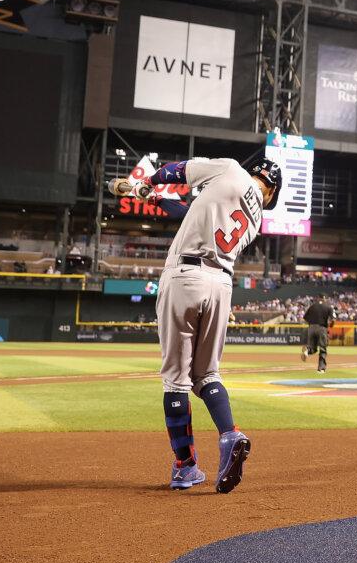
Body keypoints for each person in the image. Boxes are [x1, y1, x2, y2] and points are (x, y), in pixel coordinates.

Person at [110, 156, 282, 492]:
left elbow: (178, 170)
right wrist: (154, 198)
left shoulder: (230, 169)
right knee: (207, 375)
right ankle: (230, 434)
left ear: (252, 171)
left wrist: (152, 181)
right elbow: (190, 212)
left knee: (176, 381)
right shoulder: (257, 217)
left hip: (184, 275)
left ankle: (185, 467)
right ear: (271, 193)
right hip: (221, 285)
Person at [301, 294, 335, 372]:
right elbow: (333, 320)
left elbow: (305, 319)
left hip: (311, 328)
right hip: (322, 328)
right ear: (324, 299)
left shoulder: (312, 307)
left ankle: (307, 351)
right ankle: (321, 369)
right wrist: (331, 325)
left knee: (313, 349)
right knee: (323, 349)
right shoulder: (328, 307)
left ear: (318, 298)